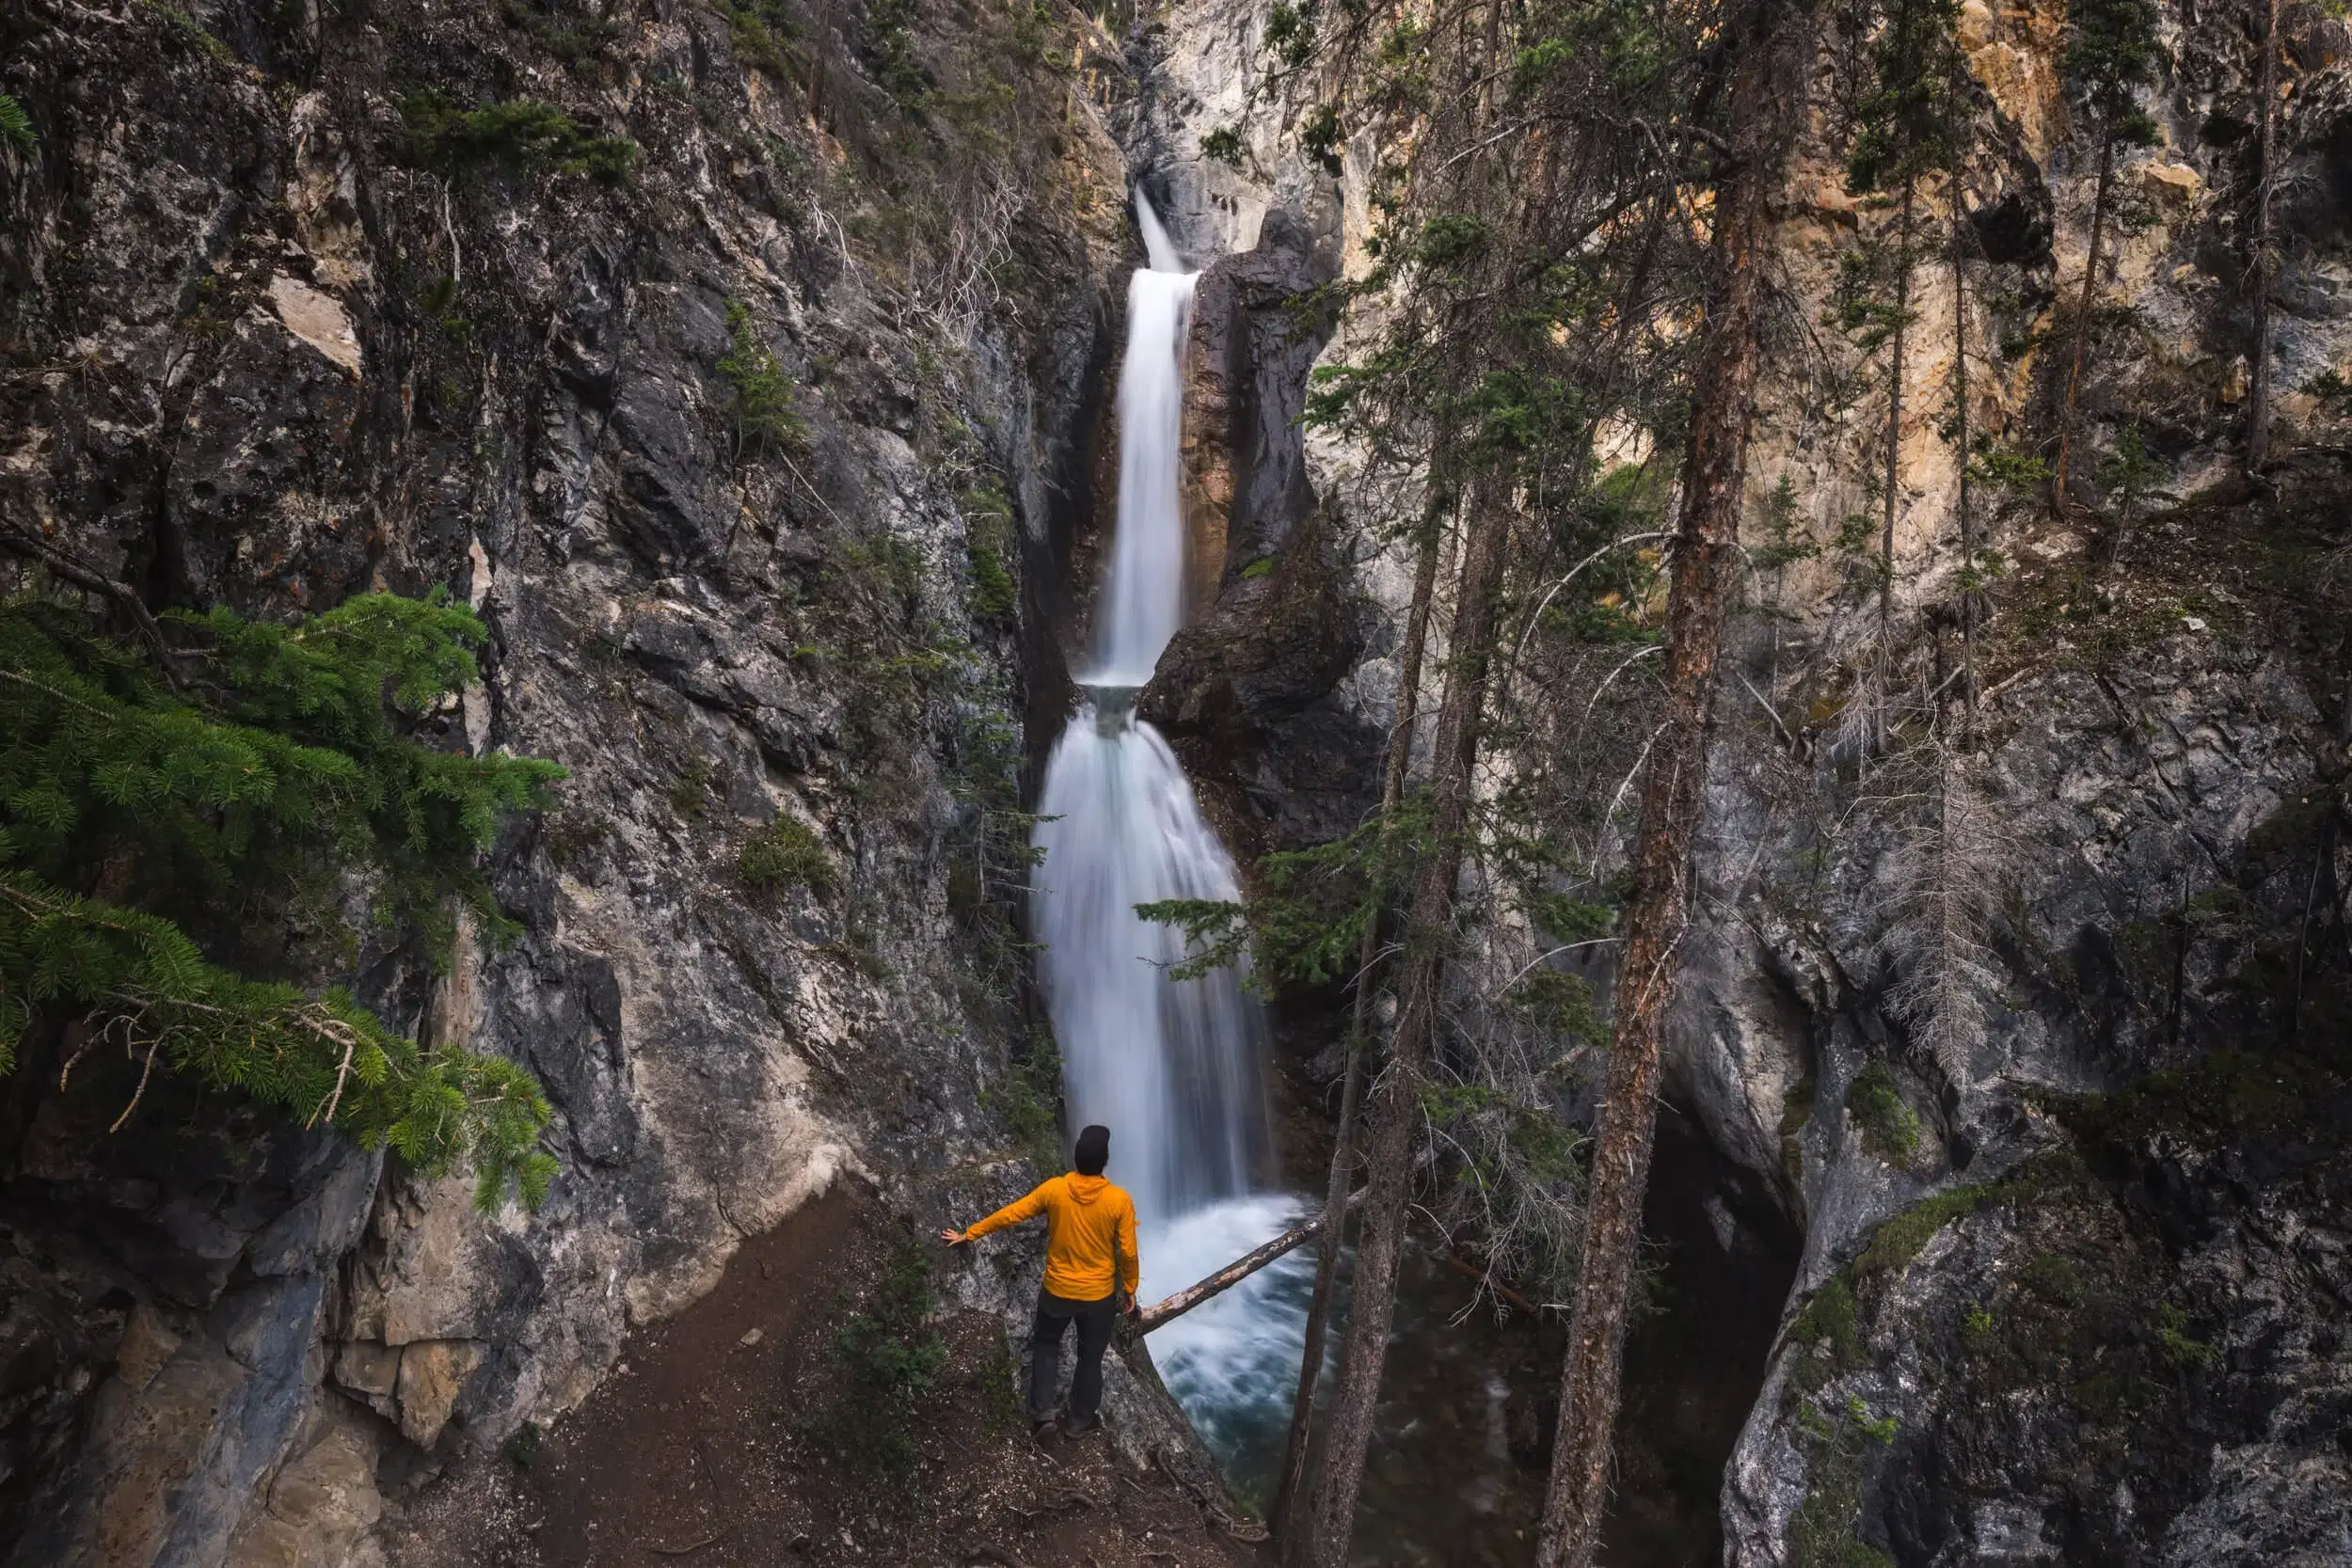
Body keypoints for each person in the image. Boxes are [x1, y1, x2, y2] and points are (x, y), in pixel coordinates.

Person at [941, 1123, 1139, 1436]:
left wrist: (971, 1233)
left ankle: (1043, 1415)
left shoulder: (1055, 1190)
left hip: (1057, 1290)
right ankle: (1078, 1422)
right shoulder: (1119, 1201)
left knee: (1047, 1345)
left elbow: (1012, 1213)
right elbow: (1127, 1252)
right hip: (1098, 1297)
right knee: (1090, 1357)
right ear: (1105, 1161)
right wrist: (1130, 1288)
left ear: (1075, 1159)